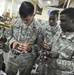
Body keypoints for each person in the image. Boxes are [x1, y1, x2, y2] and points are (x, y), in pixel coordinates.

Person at [6, 1, 43, 75]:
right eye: (22, 18)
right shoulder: (15, 22)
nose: (24, 21)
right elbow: (8, 35)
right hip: (12, 59)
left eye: (27, 20)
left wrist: (30, 48)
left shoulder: (39, 28)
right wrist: (12, 42)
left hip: (27, 62)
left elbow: (40, 46)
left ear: (33, 15)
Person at [52, 8, 74, 75]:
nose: (60, 24)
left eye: (63, 21)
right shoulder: (59, 33)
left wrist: (54, 61)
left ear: (73, 21)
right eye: (60, 21)